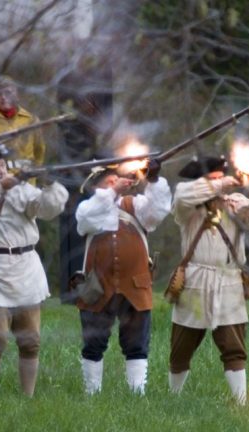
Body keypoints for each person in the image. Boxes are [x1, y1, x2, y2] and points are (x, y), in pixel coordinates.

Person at [168, 155, 249, 405]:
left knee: (234, 346)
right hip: (195, 279)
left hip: (229, 280)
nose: (221, 182)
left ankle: (240, 403)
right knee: (181, 349)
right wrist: (226, 183)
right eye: (215, 178)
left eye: (222, 176)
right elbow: (184, 195)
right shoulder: (188, 203)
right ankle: (173, 399)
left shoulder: (235, 202)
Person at [0, 144, 67, 397]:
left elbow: (47, 210)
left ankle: (28, 397)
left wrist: (49, 184)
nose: (1, 169)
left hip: (26, 269)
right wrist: (1, 187)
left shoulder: (22, 189)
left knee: (30, 341)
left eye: (2, 164)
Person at [74, 160, 171, 395]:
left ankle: (137, 394)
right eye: (108, 181)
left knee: (136, 343)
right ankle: (91, 393)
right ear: (97, 186)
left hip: (135, 284)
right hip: (97, 286)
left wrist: (154, 179)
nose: (113, 182)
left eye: (114, 179)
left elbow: (158, 211)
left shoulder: (135, 205)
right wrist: (112, 193)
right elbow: (88, 220)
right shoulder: (88, 207)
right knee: (94, 343)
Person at [0, 77, 46, 170]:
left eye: (8, 93)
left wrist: (35, 172)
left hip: (26, 179)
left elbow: (39, 151)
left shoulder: (31, 121)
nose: (3, 97)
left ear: (17, 96)